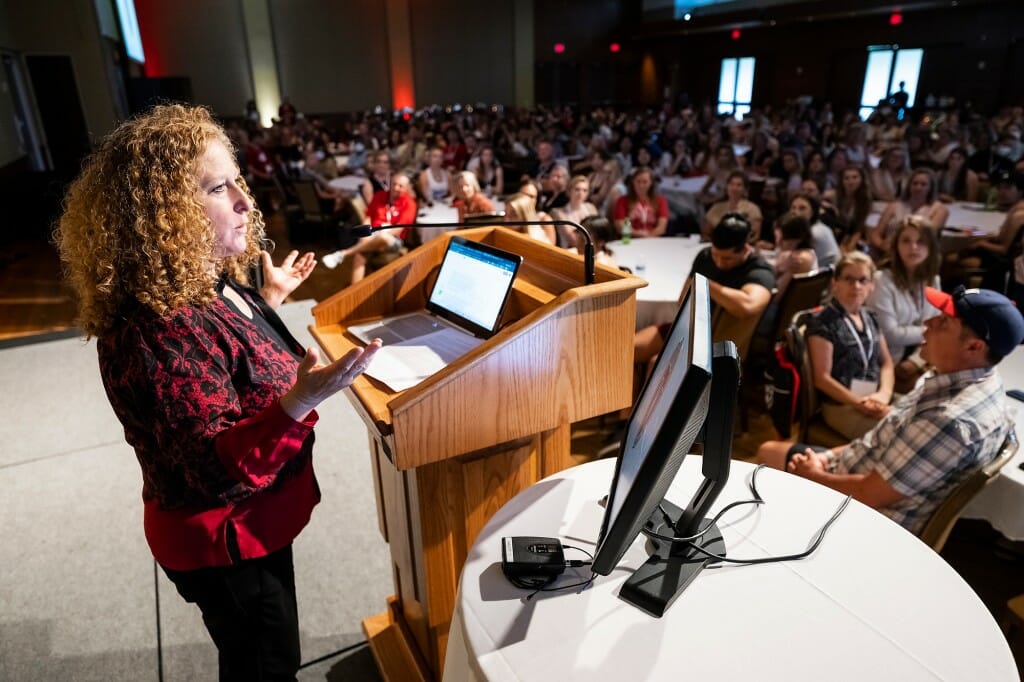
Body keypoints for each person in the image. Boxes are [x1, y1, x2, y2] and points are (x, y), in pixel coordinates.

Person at [55, 104, 381, 679]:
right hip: (223, 538)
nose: (244, 202)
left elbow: (225, 361)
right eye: (216, 188)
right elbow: (214, 467)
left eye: (237, 181)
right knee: (263, 663)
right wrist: (302, 399)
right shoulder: (153, 328)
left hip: (256, 525)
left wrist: (268, 303)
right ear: (163, 214)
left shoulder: (205, 282)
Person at [757, 285, 1023, 536]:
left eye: (943, 322)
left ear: (974, 346)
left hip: (862, 521)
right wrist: (825, 461)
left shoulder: (949, 420)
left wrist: (813, 476)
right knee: (768, 451)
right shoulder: (974, 381)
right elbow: (880, 438)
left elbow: (869, 494)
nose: (928, 324)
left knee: (756, 483)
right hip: (855, 472)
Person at [634, 213, 774, 365]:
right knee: (628, 350)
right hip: (690, 331)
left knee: (657, 365)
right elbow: (682, 301)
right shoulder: (705, 256)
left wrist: (705, 284)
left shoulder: (758, 271)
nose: (719, 262)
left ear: (746, 249)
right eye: (716, 255)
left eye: (727, 258)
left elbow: (748, 306)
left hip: (718, 346)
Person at [805, 252, 896, 440]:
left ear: (872, 286)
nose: (856, 286)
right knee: (898, 435)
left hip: (876, 398)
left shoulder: (870, 317)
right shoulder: (823, 322)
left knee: (918, 419)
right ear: (834, 283)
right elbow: (822, 379)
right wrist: (860, 404)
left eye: (863, 280)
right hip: (842, 405)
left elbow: (886, 363)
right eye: (848, 279)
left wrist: (883, 395)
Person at [866, 217, 941, 393]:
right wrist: (929, 331)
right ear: (896, 246)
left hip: (920, 360)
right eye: (906, 241)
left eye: (920, 241)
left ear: (930, 247)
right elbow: (890, 335)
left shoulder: (933, 280)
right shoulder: (881, 280)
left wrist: (915, 362)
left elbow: (936, 326)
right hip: (886, 365)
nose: (913, 247)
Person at [321, 173, 418, 282]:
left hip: (393, 239)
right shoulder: (379, 196)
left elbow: (399, 229)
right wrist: (365, 234)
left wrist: (380, 234)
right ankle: (355, 292)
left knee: (383, 237)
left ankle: (343, 253)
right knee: (360, 254)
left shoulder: (410, 204)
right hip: (373, 233)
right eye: (394, 184)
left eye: (400, 186)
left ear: (406, 188)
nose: (396, 188)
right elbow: (368, 217)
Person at [872, 168, 949, 256]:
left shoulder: (940, 209)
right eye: (915, 183)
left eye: (923, 184)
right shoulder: (894, 206)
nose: (918, 187)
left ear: (930, 188)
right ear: (909, 186)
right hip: (889, 251)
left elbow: (928, 235)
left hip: (919, 253)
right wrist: (881, 244)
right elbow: (876, 233)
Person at [702, 170, 763, 241]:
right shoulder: (716, 207)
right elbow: (705, 232)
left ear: (744, 189)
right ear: (727, 186)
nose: (734, 188)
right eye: (731, 184)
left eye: (739, 185)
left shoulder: (753, 209)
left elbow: (754, 236)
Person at [770, 212, 818, 298]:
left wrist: (777, 268)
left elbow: (776, 297)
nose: (778, 243)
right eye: (776, 237)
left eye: (783, 239)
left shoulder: (798, 259)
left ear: (799, 238)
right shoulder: (793, 252)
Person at [613, 167, 669, 238]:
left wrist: (649, 235)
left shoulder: (660, 200)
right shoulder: (622, 201)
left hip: (653, 239)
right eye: (638, 181)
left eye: (645, 182)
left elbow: (662, 227)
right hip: (631, 239)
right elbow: (620, 227)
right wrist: (640, 234)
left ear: (651, 183)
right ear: (633, 182)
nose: (641, 185)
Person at [788, 192, 839, 268]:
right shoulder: (821, 226)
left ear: (812, 212)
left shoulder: (814, 232)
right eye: (793, 207)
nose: (796, 212)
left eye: (802, 208)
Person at [552, 175, 599, 248]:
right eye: (577, 189)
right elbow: (573, 241)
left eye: (585, 190)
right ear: (569, 191)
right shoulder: (559, 213)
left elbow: (598, 233)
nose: (580, 193)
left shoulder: (591, 208)